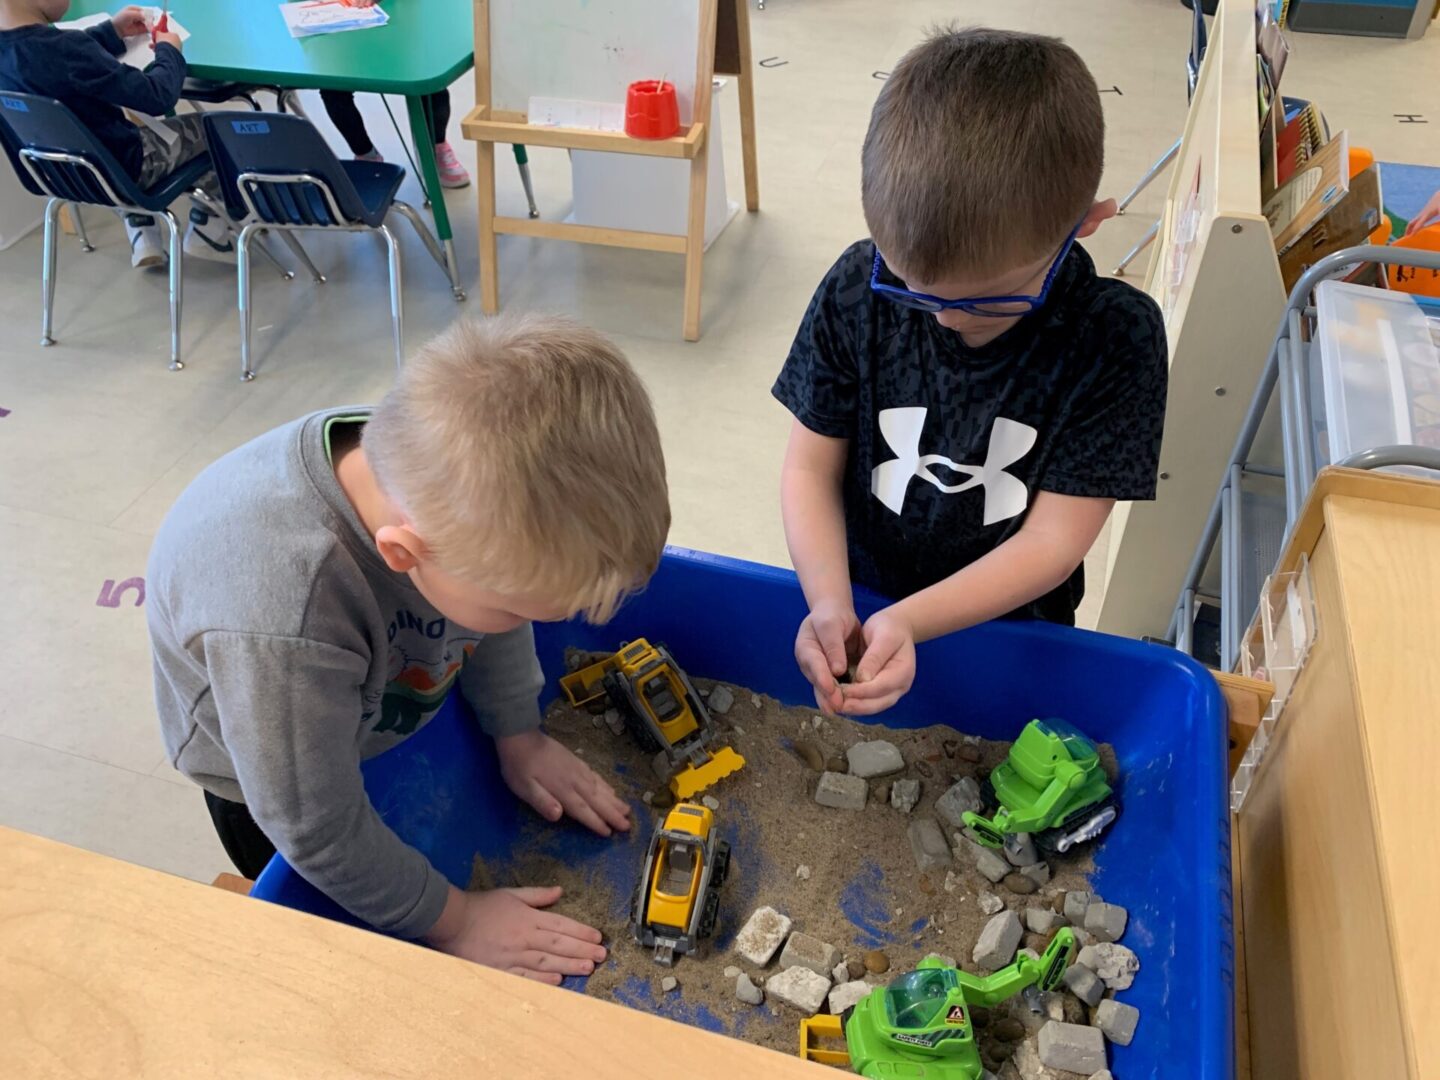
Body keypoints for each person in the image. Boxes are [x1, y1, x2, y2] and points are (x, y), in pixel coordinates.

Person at [146, 314, 670, 982]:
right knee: (325, 942)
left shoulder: (443, 475)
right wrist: (459, 920)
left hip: (363, 696)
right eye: (515, 608)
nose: (516, 620)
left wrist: (518, 732)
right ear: (402, 554)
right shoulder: (285, 615)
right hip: (266, 779)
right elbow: (314, 829)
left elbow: (494, 617)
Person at [773, 27, 1168, 718]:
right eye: (915, 291)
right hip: (863, 592)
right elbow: (809, 469)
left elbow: (1052, 543)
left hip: (1015, 626)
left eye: (987, 298)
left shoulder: (1115, 337)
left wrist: (911, 623)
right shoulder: (854, 287)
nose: (948, 319)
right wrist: (830, 602)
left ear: (1088, 222)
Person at [0, 0, 236, 268]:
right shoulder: (67, 49)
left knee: (136, 132)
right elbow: (158, 97)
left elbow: (62, 57)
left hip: (62, 177)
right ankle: (209, 231)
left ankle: (141, 228)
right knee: (215, 130)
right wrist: (170, 51)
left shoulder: (40, 49)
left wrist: (110, 32)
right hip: (126, 168)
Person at [320, 0, 469, 188]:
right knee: (332, 87)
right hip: (339, 30)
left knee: (429, 79)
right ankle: (365, 154)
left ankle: (436, 145)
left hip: (402, 24)